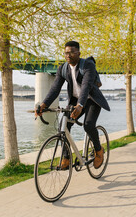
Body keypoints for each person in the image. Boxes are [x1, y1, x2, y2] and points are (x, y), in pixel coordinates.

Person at [35, 41, 110, 169]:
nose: (68, 55)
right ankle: (66, 157)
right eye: (66, 53)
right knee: (63, 126)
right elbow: (55, 89)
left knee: (88, 125)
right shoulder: (63, 68)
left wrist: (80, 105)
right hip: (76, 101)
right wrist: (43, 104)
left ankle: (99, 150)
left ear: (79, 53)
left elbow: (86, 86)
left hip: (92, 100)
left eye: (71, 52)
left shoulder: (88, 65)